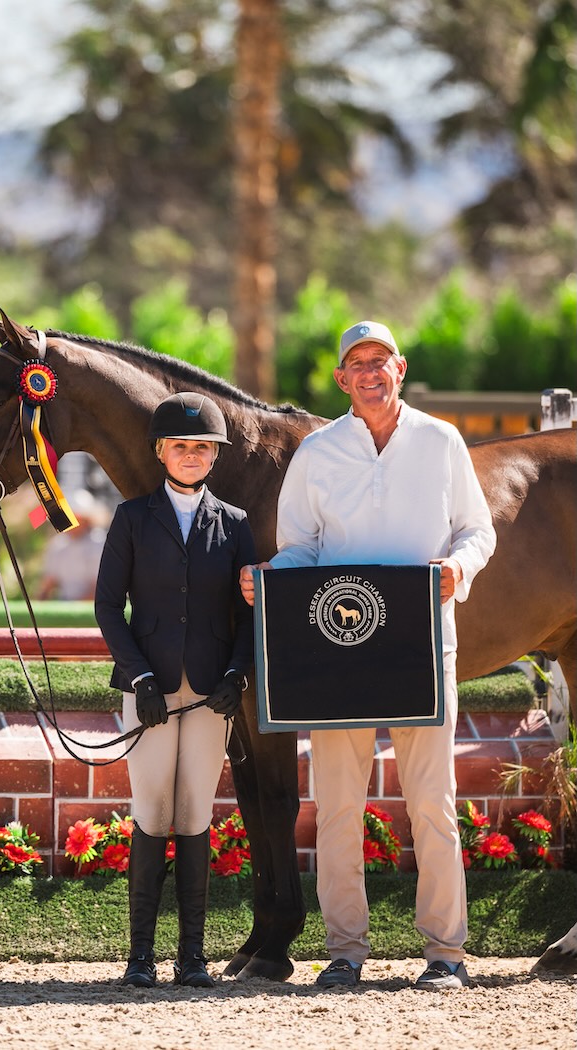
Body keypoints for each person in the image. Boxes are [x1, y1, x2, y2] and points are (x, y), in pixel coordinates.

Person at [240, 320, 496, 991]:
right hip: (337, 655)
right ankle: (344, 952)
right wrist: (267, 577)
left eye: (379, 359)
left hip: (421, 646)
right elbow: (301, 550)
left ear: (399, 367)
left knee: (431, 803)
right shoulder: (318, 453)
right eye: (356, 363)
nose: (369, 372)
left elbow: (477, 529)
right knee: (337, 805)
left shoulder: (440, 441)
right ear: (339, 379)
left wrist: (458, 568)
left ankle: (444, 954)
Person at [95, 391, 256, 989]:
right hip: (151, 688)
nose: (191, 456)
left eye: (201, 448)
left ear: (214, 456)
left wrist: (237, 675)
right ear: (161, 451)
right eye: (180, 446)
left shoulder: (235, 524)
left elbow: (250, 615)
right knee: (152, 811)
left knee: (194, 813)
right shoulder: (132, 518)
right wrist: (138, 677)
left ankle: (192, 956)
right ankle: (140, 956)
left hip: (212, 690)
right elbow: (108, 606)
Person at [38, 490, 110, 600]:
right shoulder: (58, 544)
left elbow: (100, 589)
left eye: (75, 517)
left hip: (95, 610)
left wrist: (72, 611)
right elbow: (49, 582)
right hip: (65, 605)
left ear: (86, 519)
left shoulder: (99, 543)